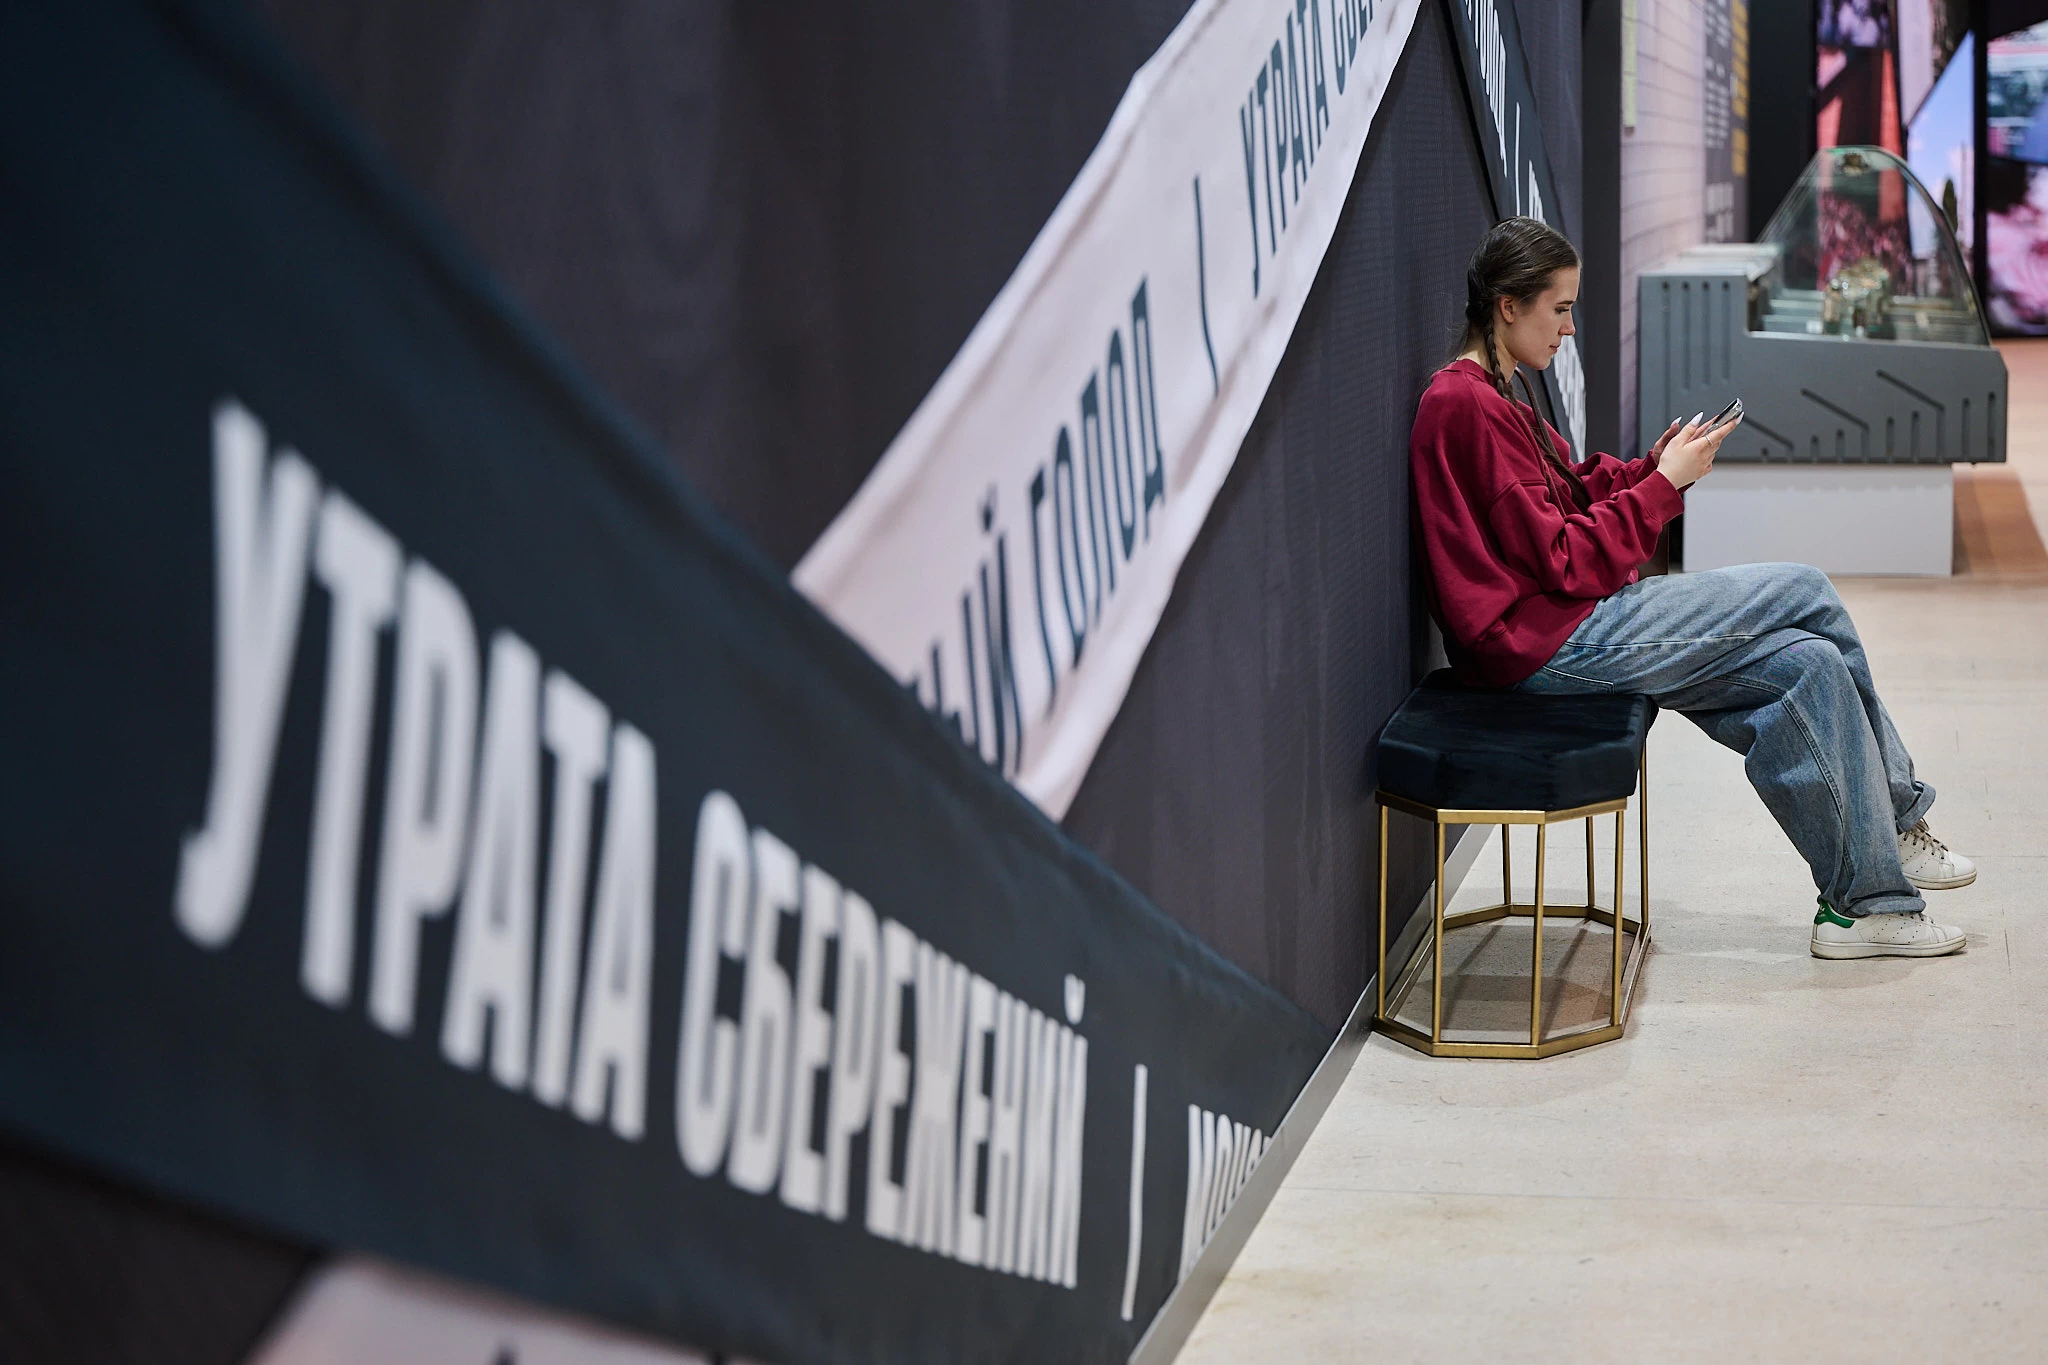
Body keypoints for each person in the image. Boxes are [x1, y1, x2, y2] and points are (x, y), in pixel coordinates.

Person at [1409, 217, 1974, 960]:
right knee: (1806, 589)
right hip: (1541, 644)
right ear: (1508, 305)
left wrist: (1653, 469)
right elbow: (1565, 558)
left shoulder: (1496, 392)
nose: (1570, 328)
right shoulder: (1463, 404)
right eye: (1560, 309)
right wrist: (1662, 488)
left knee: (1808, 665)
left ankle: (1865, 904)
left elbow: (1567, 497)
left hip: (1561, 627)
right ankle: (1897, 818)